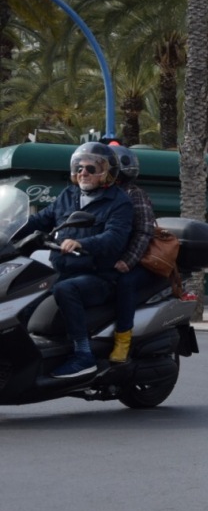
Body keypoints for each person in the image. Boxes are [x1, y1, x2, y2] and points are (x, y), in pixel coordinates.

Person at [15, 142, 133, 377]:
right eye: (79, 168)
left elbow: (115, 238)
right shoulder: (69, 195)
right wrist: (9, 229)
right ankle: (21, 359)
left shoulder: (119, 202)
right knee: (24, 292)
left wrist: (82, 243)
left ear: (107, 172)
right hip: (63, 271)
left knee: (67, 290)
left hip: (99, 276)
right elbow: (41, 219)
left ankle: (83, 355)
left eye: (91, 168)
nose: (83, 173)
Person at [106, 144, 157, 364]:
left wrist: (128, 261)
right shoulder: (97, 195)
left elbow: (145, 230)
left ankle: (123, 340)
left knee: (125, 283)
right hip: (108, 258)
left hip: (135, 262)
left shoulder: (134, 195)